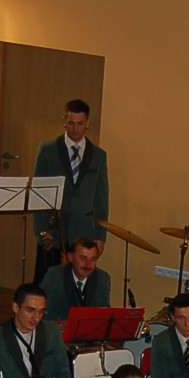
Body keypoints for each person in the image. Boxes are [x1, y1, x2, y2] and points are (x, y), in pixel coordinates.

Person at [32, 98, 109, 282]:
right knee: (48, 282)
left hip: (84, 230)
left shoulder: (98, 155)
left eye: (80, 124)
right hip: (54, 229)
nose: (75, 128)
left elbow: (101, 199)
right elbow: (39, 194)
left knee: (80, 284)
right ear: (64, 121)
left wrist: (100, 236)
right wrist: (41, 232)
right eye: (71, 123)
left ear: (87, 123)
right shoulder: (48, 151)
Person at [0, 283, 72, 378]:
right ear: (16, 308)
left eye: (41, 312)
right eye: (30, 310)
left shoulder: (52, 331)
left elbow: (64, 373)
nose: (36, 318)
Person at [38, 238, 111, 323]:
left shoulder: (103, 278)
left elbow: (103, 312)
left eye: (93, 259)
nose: (88, 264)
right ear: (70, 257)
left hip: (90, 329)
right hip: (59, 328)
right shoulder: (54, 275)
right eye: (83, 258)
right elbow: (44, 312)